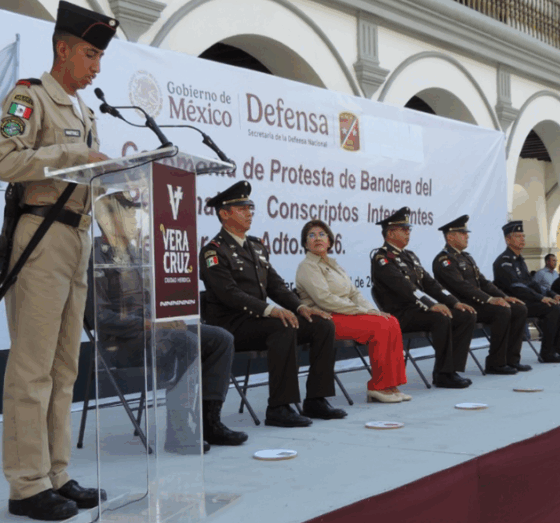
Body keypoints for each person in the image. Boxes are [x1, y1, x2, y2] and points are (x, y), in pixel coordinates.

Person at [0, 1, 118, 521]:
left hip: (77, 239)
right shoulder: (30, 96)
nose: (96, 67)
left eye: (100, 57)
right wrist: (70, 157)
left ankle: (57, 474)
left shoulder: (86, 112)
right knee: (33, 367)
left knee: (64, 367)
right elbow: (6, 162)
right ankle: (26, 485)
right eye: (90, 55)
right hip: (40, 234)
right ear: (63, 49)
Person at [92, 193, 247, 451]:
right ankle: (179, 432)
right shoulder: (95, 257)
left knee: (220, 338)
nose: (135, 218)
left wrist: (167, 316)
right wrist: (151, 324)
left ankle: (210, 422)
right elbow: (99, 318)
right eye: (128, 212)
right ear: (106, 219)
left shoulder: (136, 254)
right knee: (185, 341)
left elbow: (153, 300)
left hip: (155, 332)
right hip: (121, 344)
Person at [199, 181, 347, 428]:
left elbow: (276, 285)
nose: (249, 213)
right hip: (231, 325)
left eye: (250, 207)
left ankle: (317, 400)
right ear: (224, 214)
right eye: (241, 208)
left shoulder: (256, 246)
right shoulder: (213, 251)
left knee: (321, 324)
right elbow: (229, 294)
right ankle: (279, 407)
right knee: (282, 326)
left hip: (258, 321)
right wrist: (271, 310)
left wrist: (301, 307)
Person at [295, 219, 410, 403]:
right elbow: (324, 299)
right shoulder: (307, 266)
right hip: (326, 318)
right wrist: (359, 312)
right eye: (311, 235)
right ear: (305, 243)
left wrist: (372, 310)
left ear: (330, 241)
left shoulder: (335, 265)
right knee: (379, 327)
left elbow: (354, 293)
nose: (317, 238)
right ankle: (378, 386)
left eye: (322, 234)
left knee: (391, 321)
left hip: (346, 314)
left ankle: (391, 385)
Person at [371, 207, 476, 389]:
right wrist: (432, 305)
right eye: (403, 229)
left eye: (408, 229)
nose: (408, 232)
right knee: (441, 317)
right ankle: (443, 374)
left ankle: (452, 369)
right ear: (390, 232)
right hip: (400, 314)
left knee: (465, 315)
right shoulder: (382, 258)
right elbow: (406, 288)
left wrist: (454, 302)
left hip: (418, 310)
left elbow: (431, 284)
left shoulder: (410, 256)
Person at [432, 215, 530, 376]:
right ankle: (495, 363)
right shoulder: (444, 260)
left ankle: (511, 359)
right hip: (460, 305)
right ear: (450, 237)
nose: (467, 236)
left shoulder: (466, 257)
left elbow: (483, 282)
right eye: (462, 233)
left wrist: (503, 296)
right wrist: (490, 299)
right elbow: (462, 287)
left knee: (518, 308)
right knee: (502, 311)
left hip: (477, 304)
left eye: (466, 233)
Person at [493, 221, 560, 363]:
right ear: (508, 240)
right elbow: (517, 287)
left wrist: (552, 294)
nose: (522, 239)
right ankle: (547, 352)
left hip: (528, 301)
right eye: (518, 236)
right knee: (552, 308)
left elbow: (532, 283)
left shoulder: (520, 260)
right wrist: (540, 298)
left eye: (523, 236)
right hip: (515, 303)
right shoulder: (504, 261)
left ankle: (558, 347)